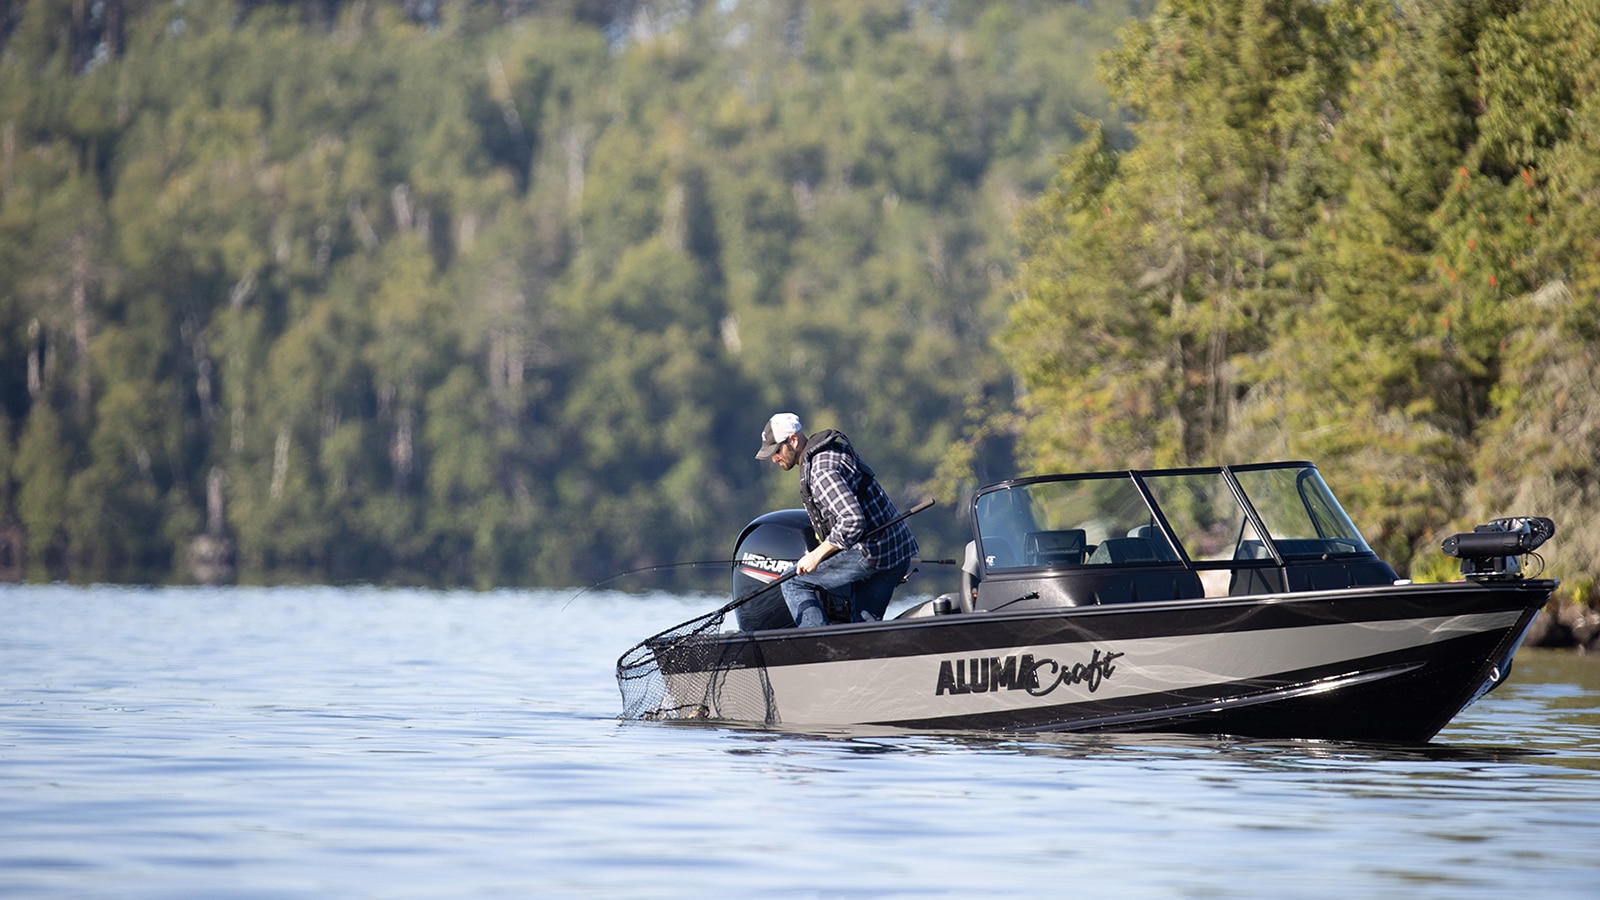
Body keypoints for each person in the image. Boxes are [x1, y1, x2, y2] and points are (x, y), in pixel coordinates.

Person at [754, 412, 919, 627]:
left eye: (776, 450)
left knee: (793, 580)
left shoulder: (821, 471)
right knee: (861, 629)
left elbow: (852, 520)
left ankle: (816, 648)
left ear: (793, 440)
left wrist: (816, 556)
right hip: (895, 550)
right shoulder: (828, 453)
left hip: (872, 552)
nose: (774, 458)